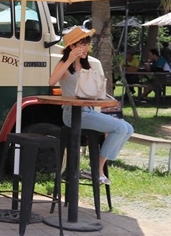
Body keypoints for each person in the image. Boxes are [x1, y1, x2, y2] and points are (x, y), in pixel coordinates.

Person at [49, 27, 133, 186]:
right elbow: (51, 81)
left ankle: (96, 167)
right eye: (83, 44)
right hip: (71, 113)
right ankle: (97, 169)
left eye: (87, 44)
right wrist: (69, 59)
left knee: (128, 128)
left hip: (87, 111)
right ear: (72, 46)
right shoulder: (65, 65)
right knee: (120, 128)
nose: (87, 48)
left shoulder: (88, 66)